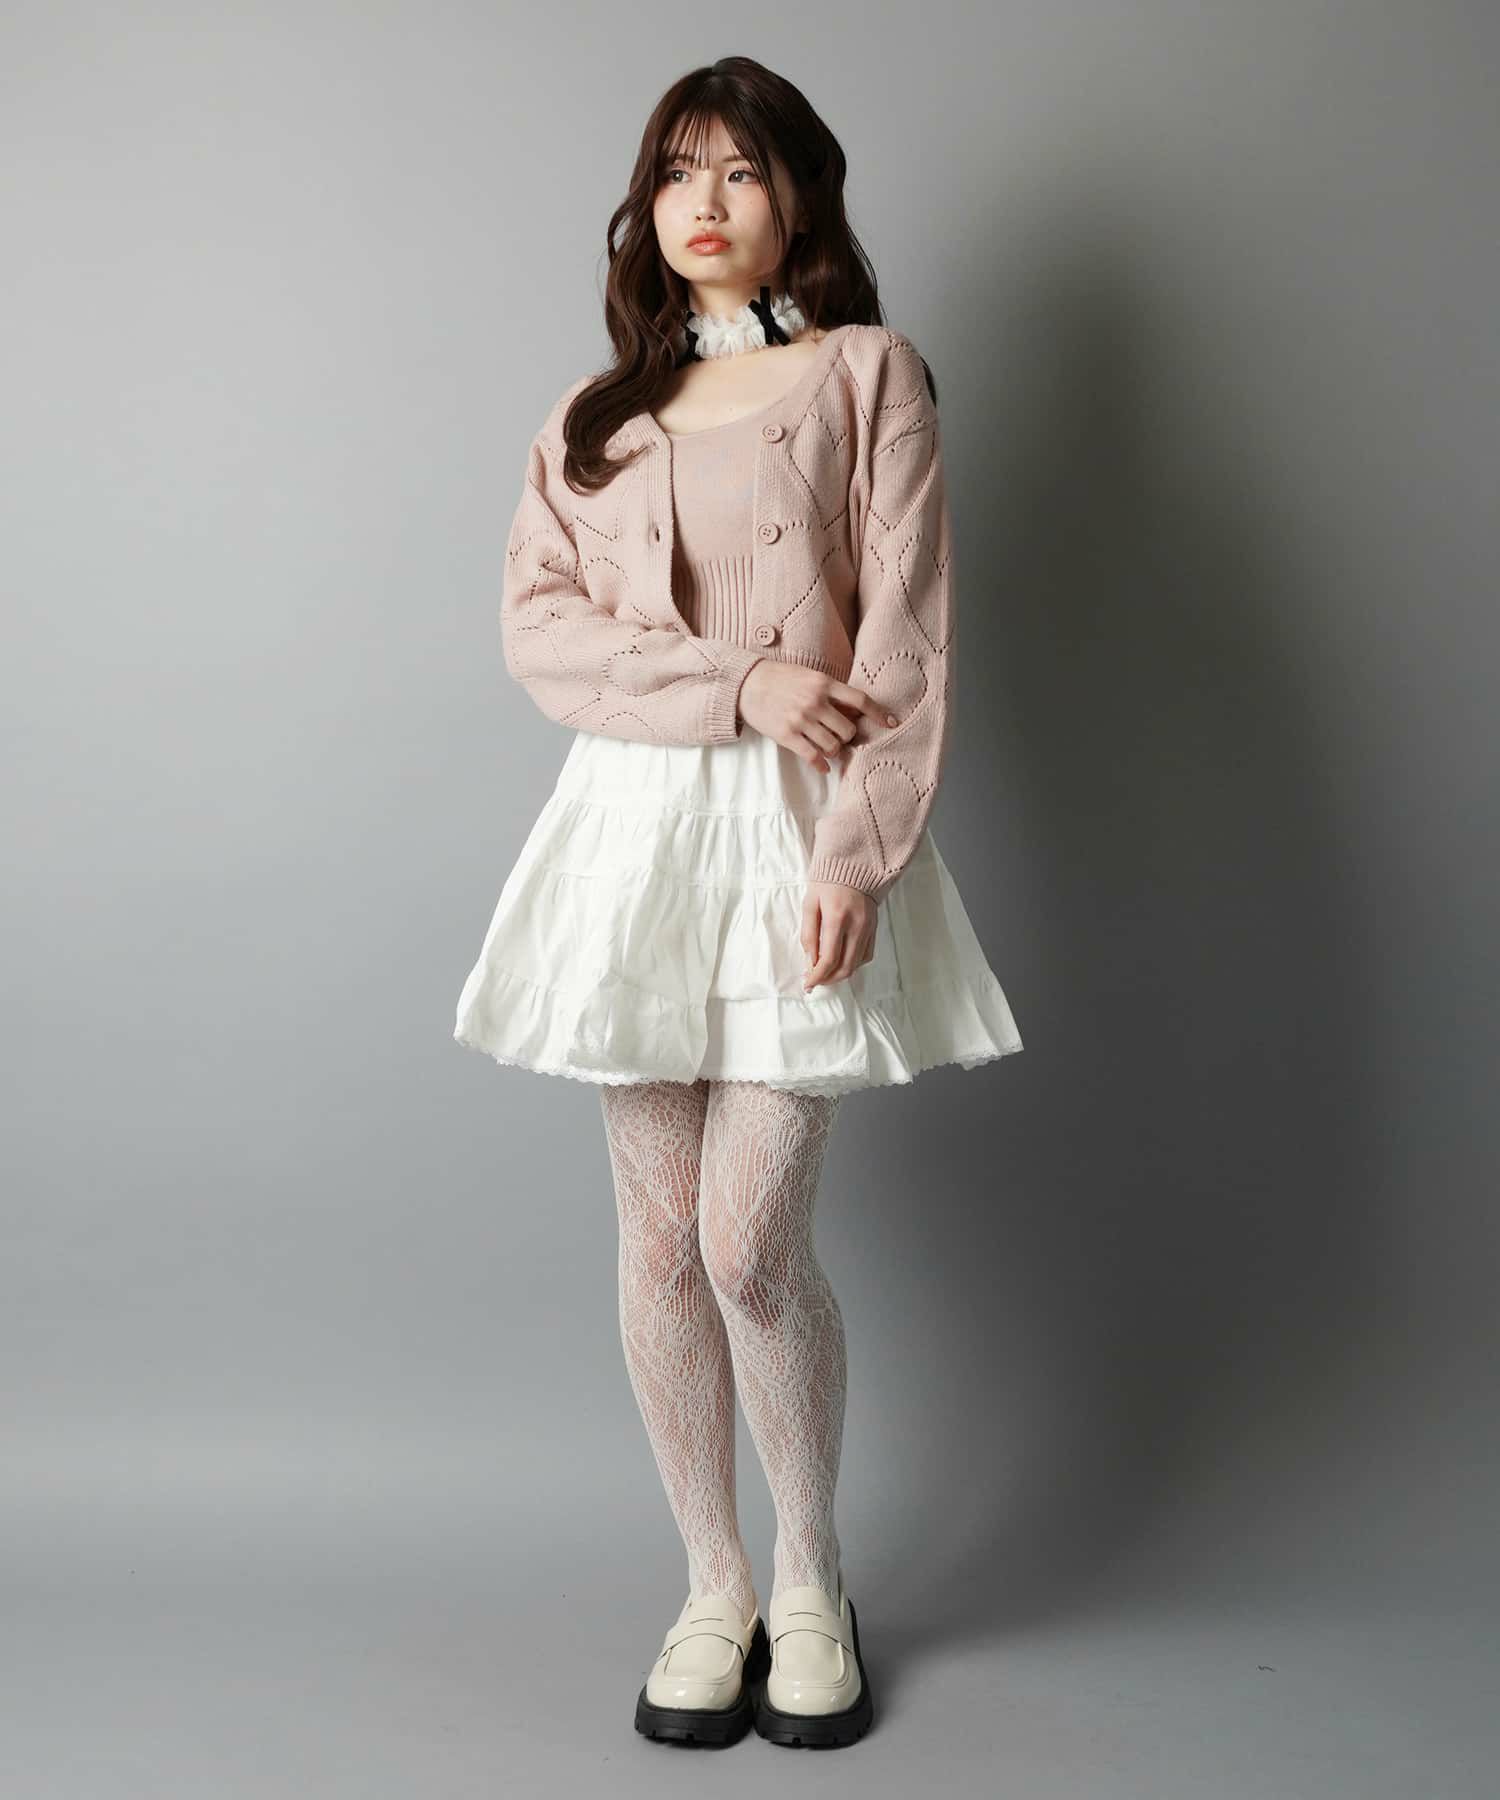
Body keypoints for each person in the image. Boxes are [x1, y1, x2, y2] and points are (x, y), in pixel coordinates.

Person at [453, 55, 1023, 1749]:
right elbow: (542, 632)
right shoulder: (590, 418)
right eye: (678, 172)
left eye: (743, 171)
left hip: (796, 828)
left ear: (800, 199)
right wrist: (738, 682)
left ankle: (809, 1577)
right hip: (635, 838)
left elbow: (907, 635)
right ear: (648, 207)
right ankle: (714, 1584)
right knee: (654, 1239)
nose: (706, 203)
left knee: (748, 1242)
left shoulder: (867, 375)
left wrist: (856, 854)